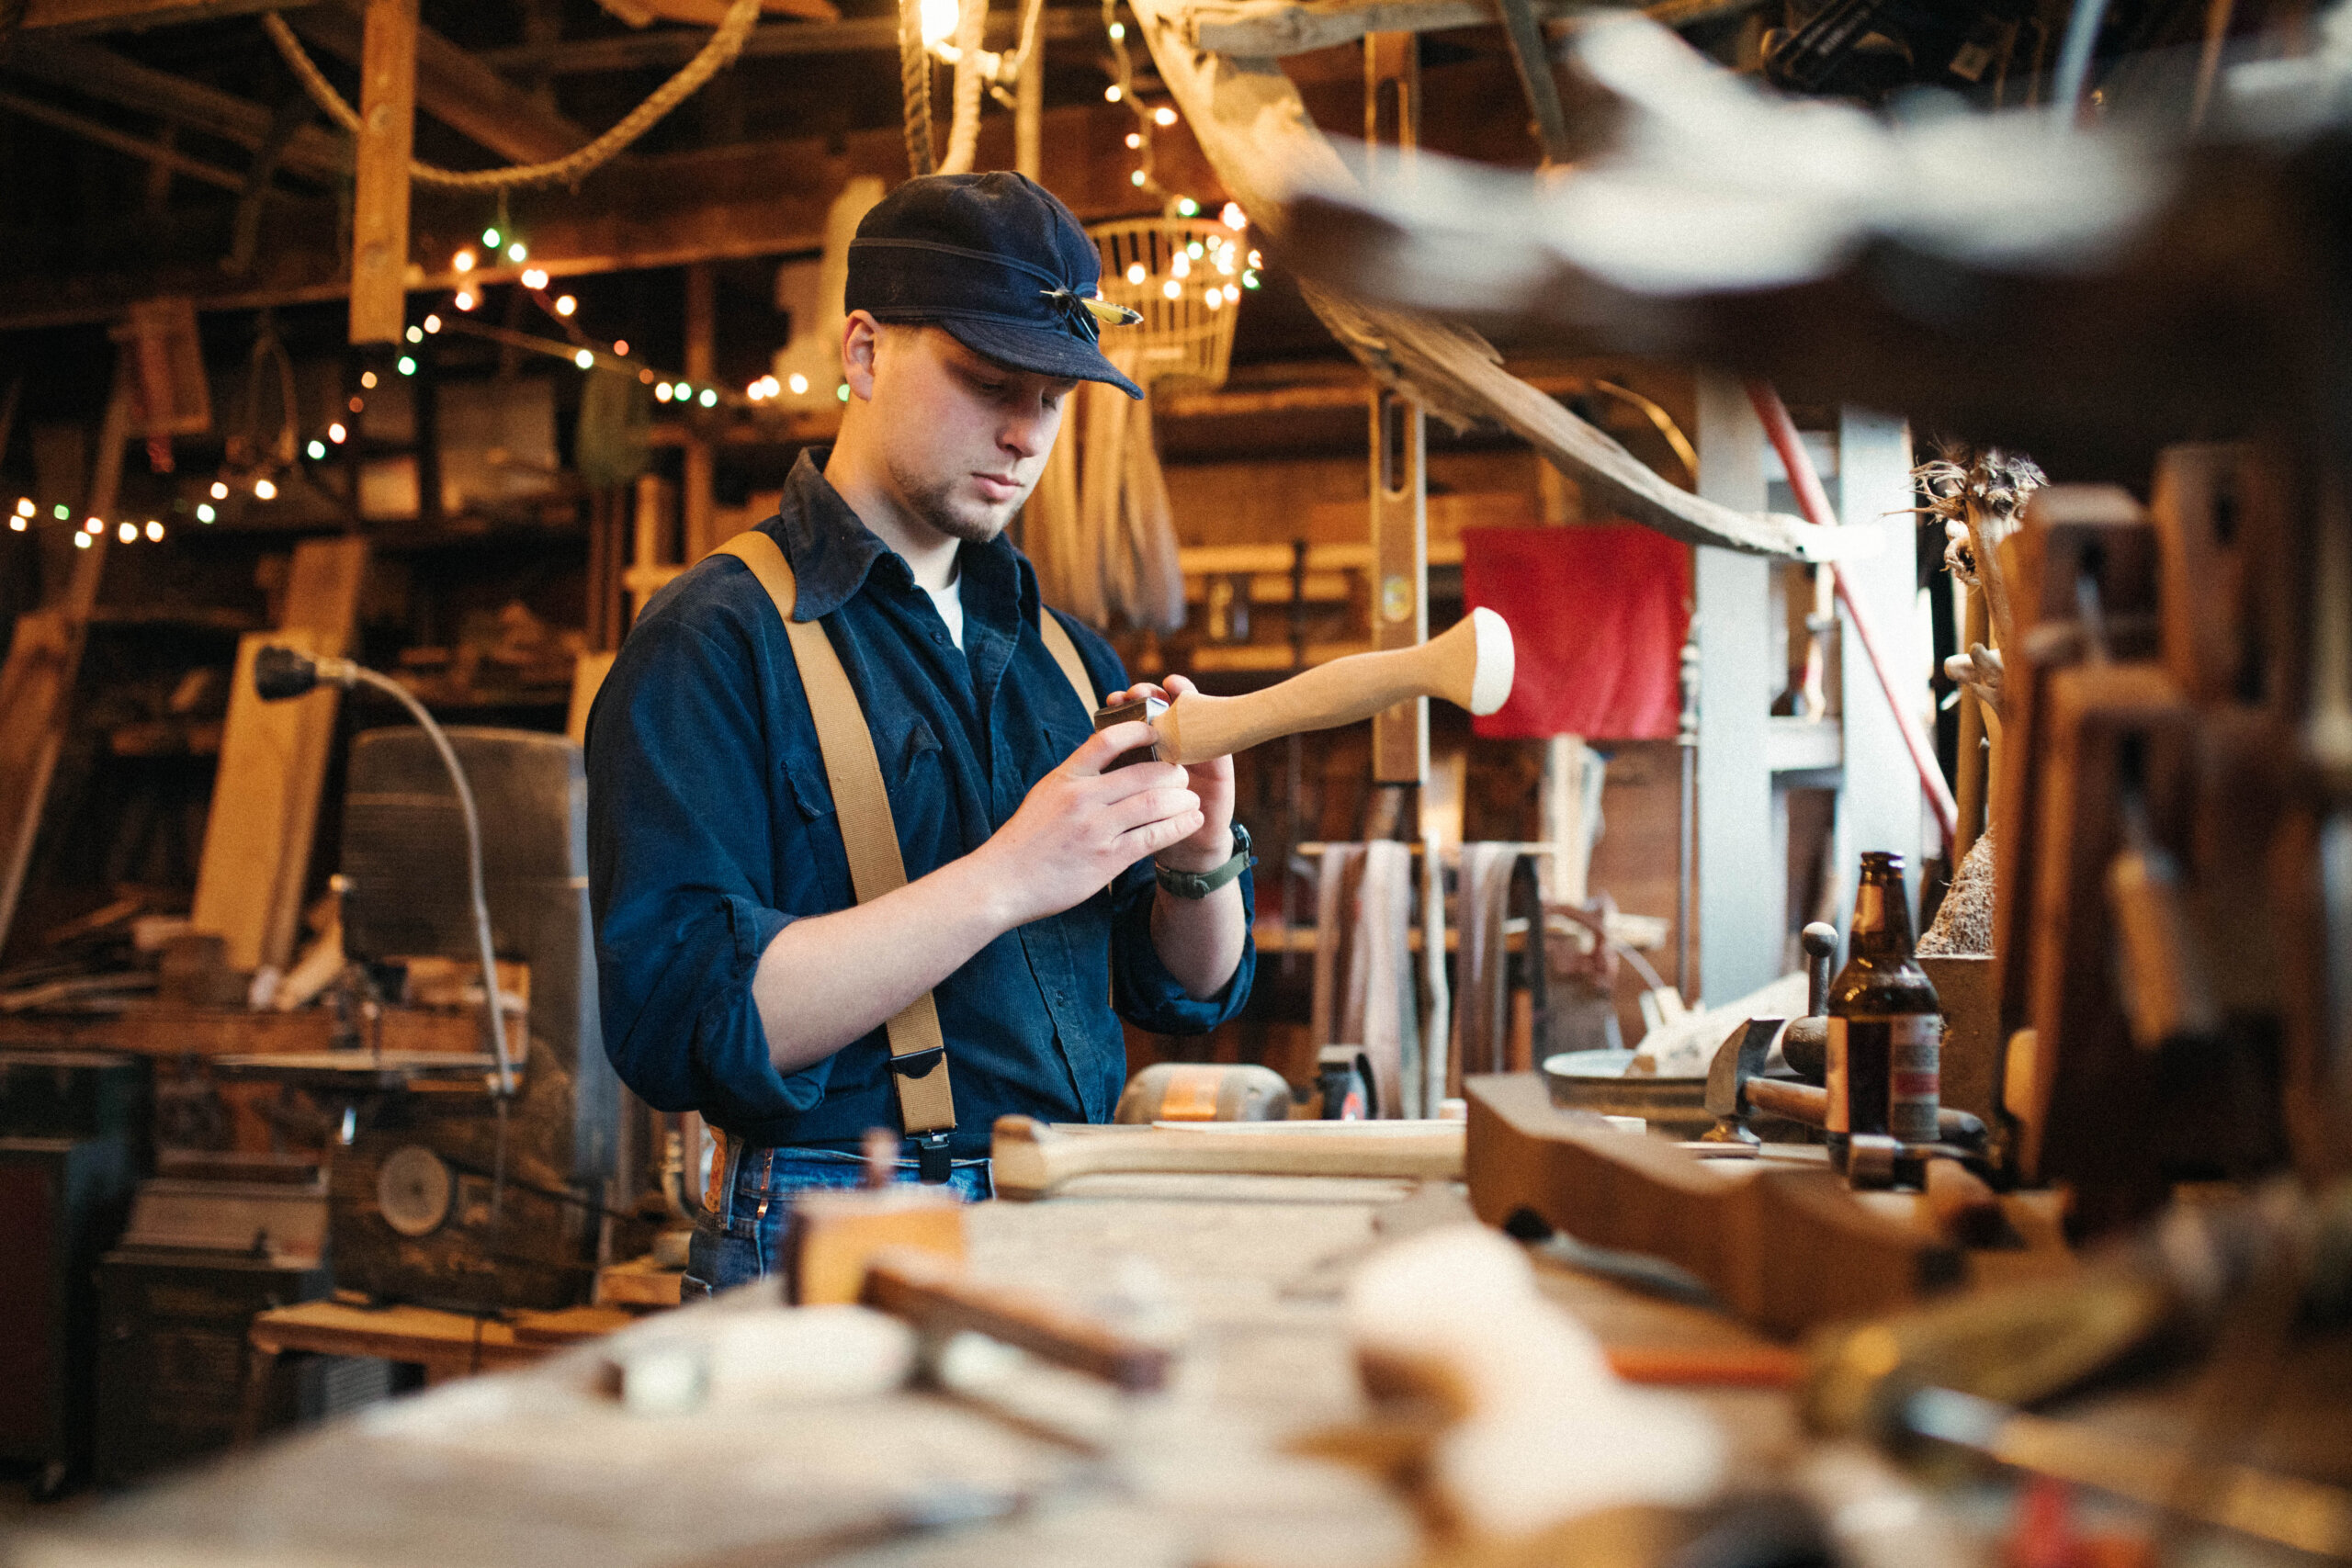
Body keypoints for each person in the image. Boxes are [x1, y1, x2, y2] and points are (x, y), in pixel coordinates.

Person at [585, 173, 1256, 1290]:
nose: (1023, 431)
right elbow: (678, 1019)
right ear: (862, 352)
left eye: (1051, 397)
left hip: (1070, 1203)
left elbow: (1177, 987)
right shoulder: (715, 641)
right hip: (845, 1224)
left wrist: (1198, 859)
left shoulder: (1066, 654)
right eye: (987, 380)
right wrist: (1006, 876)